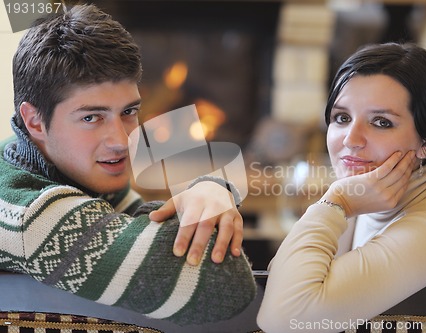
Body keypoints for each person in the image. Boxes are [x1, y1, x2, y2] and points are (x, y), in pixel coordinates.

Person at [0, 4, 256, 326]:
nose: (122, 141)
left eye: (128, 112)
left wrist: (210, 189)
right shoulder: (30, 214)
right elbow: (225, 288)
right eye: (91, 117)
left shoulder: (30, 156)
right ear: (34, 121)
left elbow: (139, 223)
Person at [257, 42, 426, 332]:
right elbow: (282, 280)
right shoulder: (368, 191)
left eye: (381, 122)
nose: (351, 139)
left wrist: (337, 202)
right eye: (342, 118)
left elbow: (282, 321)